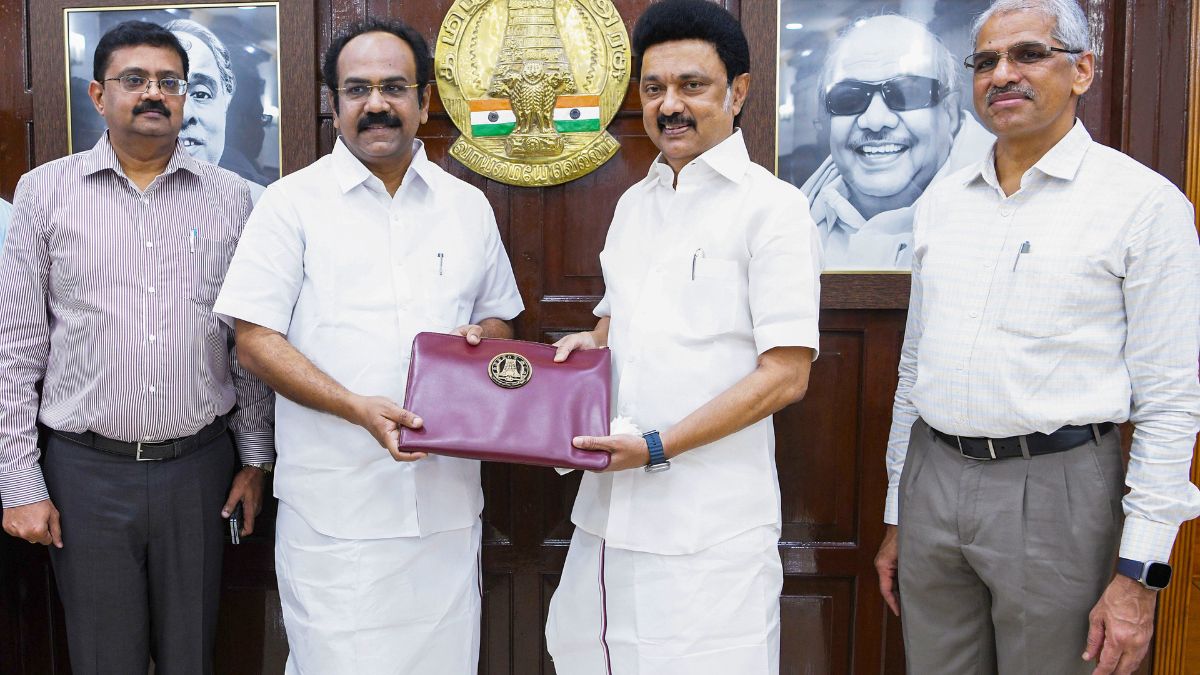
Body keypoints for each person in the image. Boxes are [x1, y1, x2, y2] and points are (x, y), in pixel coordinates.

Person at [873, 1, 1200, 673]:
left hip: (1060, 490)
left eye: (1027, 54)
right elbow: (915, 367)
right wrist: (898, 511)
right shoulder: (942, 202)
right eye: (985, 61)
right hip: (933, 480)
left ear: (1081, 70)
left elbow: (1170, 402)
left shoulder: (1143, 205)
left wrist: (1139, 573)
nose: (1002, 75)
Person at [212, 18, 524, 675]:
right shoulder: (291, 205)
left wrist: (479, 342)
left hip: (444, 506)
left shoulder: (467, 206)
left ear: (424, 101)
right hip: (337, 513)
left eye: (393, 87)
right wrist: (356, 407)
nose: (376, 103)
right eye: (357, 89)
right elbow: (255, 341)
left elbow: (499, 320)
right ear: (334, 104)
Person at [544, 2, 821, 673]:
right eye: (654, 88)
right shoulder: (633, 204)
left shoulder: (774, 208)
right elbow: (619, 322)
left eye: (691, 85)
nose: (669, 105)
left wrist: (657, 447)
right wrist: (590, 344)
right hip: (610, 516)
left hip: (709, 529)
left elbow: (786, 375)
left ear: (738, 91)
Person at [0, 20, 274, 674]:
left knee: (193, 656)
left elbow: (249, 343)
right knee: (104, 659)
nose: (154, 93)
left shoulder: (234, 200)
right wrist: (18, 480)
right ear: (99, 95)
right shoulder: (45, 192)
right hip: (84, 474)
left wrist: (255, 460)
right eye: (135, 79)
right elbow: (16, 349)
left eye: (170, 82)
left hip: (200, 472)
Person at [802, 14, 993, 270]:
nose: (875, 120)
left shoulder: (1012, 209)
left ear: (950, 112)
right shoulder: (794, 217)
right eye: (849, 98)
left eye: (906, 94)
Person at [164, 18, 270, 199]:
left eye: (201, 94)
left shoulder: (260, 202)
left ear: (227, 101)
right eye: (167, 91)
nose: (185, 114)